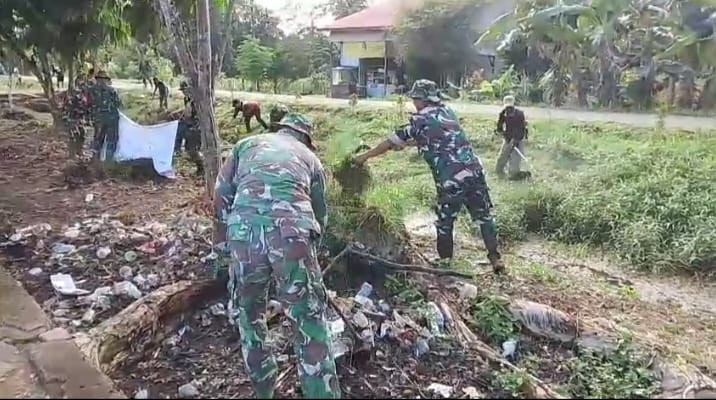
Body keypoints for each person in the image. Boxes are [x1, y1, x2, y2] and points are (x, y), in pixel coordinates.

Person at [212, 113, 339, 399]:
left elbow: (220, 195)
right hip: (292, 235)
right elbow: (320, 214)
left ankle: (264, 390)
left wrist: (220, 248)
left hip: (244, 235)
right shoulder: (311, 159)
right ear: (305, 137)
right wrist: (311, 251)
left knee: (249, 316)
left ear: (281, 129)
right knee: (308, 319)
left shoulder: (246, 145)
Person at [353, 79, 506, 274]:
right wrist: (409, 144)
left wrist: (363, 157)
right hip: (475, 172)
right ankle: (495, 258)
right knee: (483, 217)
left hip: (451, 178)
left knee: (445, 222)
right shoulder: (447, 112)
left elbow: (390, 142)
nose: (414, 103)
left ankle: (445, 263)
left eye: (415, 99)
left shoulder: (419, 119)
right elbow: (438, 137)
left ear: (421, 99)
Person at [89, 70, 122, 162]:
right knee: (111, 140)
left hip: (98, 118)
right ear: (107, 80)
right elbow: (118, 103)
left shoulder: (91, 90)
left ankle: (95, 160)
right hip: (111, 118)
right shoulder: (112, 91)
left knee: (98, 139)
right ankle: (108, 161)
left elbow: (87, 104)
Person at [495, 95, 528, 179]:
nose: (508, 110)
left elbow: (522, 130)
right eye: (507, 108)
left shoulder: (520, 114)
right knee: (501, 158)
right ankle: (500, 172)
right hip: (508, 138)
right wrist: (505, 136)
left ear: (513, 106)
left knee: (514, 169)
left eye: (510, 108)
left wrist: (516, 140)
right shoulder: (502, 114)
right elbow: (499, 127)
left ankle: (517, 173)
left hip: (518, 139)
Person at [178, 81, 204, 176]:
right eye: (182, 90)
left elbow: (198, 113)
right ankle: (200, 167)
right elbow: (187, 112)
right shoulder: (186, 99)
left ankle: (202, 168)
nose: (183, 92)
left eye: (184, 90)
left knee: (193, 149)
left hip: (196, 127)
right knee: (188, 149)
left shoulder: (196, 100)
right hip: (189, 126)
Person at [61, 81, 90, 158]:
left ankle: (79, 151)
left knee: (82, 134)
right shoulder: (75, 96)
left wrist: (86, 118)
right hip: (72, 118)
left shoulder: (84, 97)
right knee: (74, 135)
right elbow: (68, 107)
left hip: (79, 119)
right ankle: (72, 154)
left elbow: (86, 109)